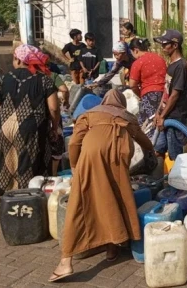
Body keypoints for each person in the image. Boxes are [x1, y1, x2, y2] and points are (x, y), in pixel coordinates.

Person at [48, 89, 154, 283]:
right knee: (115, 197)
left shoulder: (88, 114)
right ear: (121, 103)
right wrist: (151, 151)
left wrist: (74, 164)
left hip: (91, 157)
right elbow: (142, 139)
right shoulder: (126, 115)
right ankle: (113, 247)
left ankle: (66, 262)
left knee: (79, 204)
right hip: (119, 157)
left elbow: (74, 144)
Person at [0, 44, 60, 220]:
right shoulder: (44, 80)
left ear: (20, 60)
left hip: (5, 128)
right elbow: (53, 108)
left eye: (14, 58)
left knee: (1, 164)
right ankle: (26, 211)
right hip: (30, 129)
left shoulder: (7, 78)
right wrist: (54, 126)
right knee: (28, 165)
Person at [153, 29, 187, 161]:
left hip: (175, 117)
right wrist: (158, 112)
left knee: (175, 155)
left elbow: (175, 95)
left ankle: (175, 180)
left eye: (165, 44)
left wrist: (163, 116)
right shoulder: (171, 66)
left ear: (175, 45)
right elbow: (166, 92)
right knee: (158, 149)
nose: (162, 47)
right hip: (165, 115)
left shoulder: (181, 66)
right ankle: (160, 179)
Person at [128, 38, 166, 133]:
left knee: (148, 125)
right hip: (164, 95)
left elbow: (132, 85)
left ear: (135, 50)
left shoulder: (138, 62)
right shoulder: (159, 58)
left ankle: (151, 145)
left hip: (149, 95)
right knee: (161, 122)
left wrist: (140, 95)